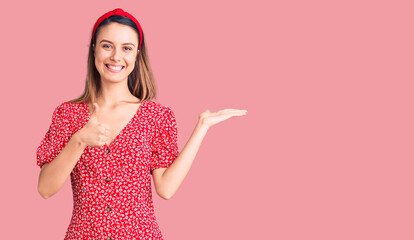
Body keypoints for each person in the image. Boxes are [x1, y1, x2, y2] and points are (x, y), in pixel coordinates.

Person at [36, 8, 247, 240]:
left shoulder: (157, 116)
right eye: (107, 46)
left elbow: (166, 189)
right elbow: (45, 189)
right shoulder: (68, 114)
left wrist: (202, 127)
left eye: (126, 48)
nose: (116, 56)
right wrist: (80, 140)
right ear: (94, 48)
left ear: (137, 55)